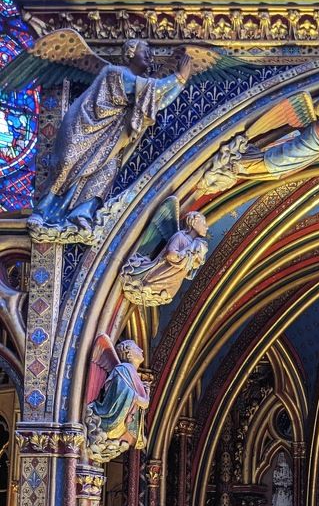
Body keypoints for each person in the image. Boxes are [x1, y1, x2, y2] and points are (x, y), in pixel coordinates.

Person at [34, 40, 191, 232]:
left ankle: (81, 213)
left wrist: (181, 81)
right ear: (131, 54)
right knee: (67, 163)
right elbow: (148, 88)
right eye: (145, 52)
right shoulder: (115, 73)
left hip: (112, 138)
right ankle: (43, 210)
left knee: (105, 172)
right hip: (86, 128)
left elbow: (158, 101)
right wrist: (177, 77)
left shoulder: (144, 88)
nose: (150, 57)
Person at [120, 211, 209, 306]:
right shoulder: (180, 236)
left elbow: (190, 271)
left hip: (172, 281)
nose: (206, 227)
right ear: (193, 223)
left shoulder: (197, 245)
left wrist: (195, 255)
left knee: (161, 293)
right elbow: (170, 255)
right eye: (203, 223)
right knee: (149, 284)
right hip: (162, 274)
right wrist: (185, 254)